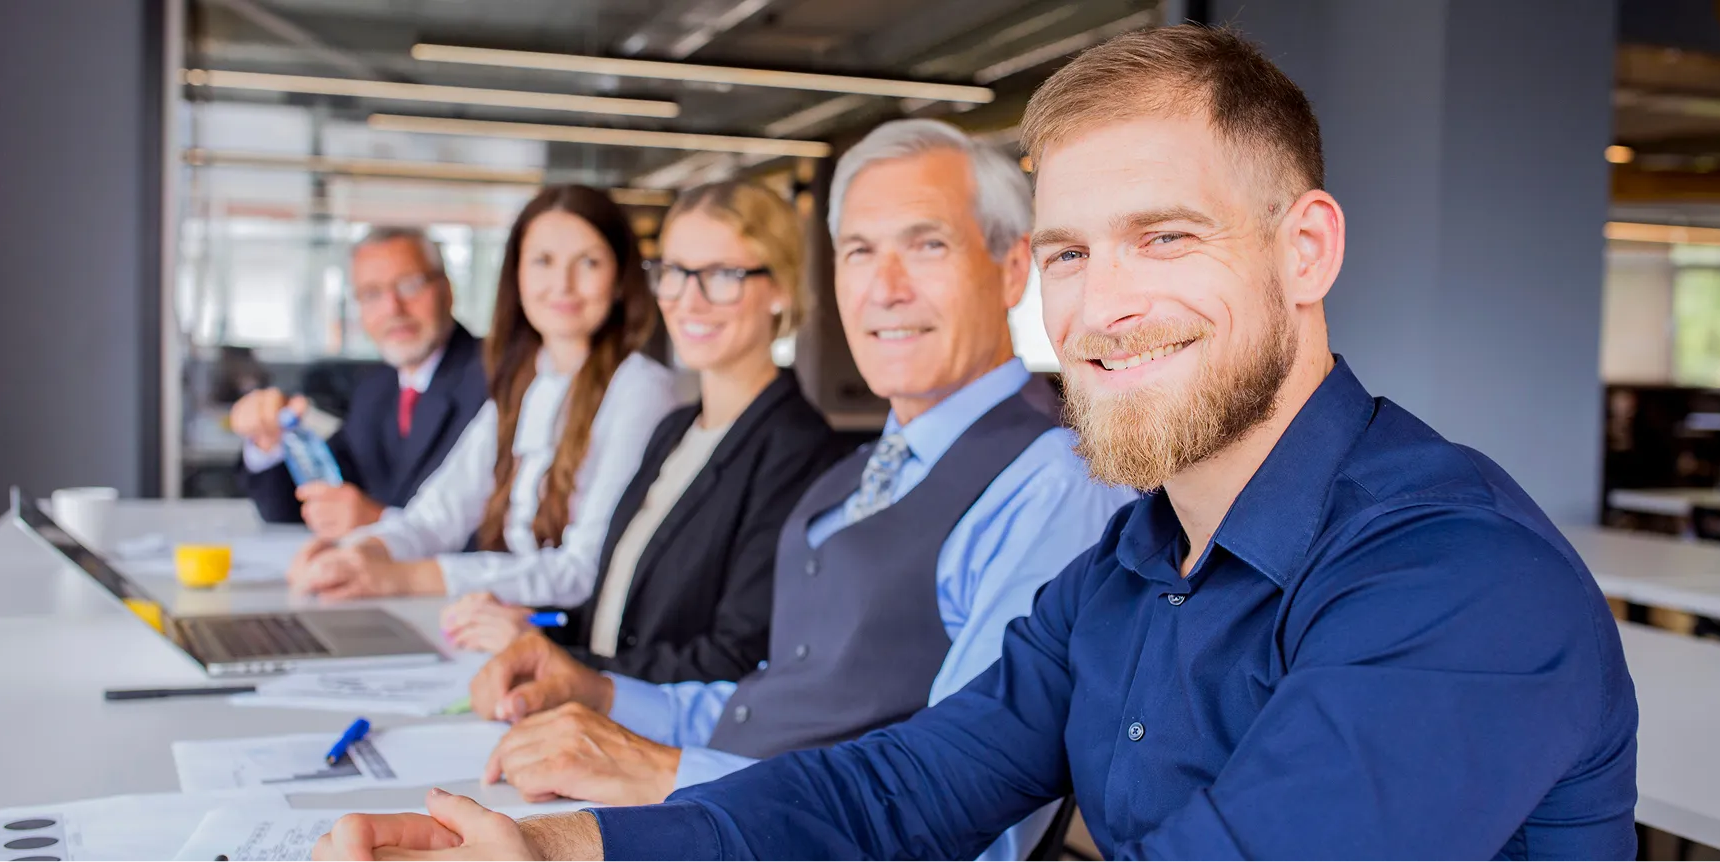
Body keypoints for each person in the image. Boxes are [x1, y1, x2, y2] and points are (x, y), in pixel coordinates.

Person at [314, 25, 1639, 862]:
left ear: (1306, 252)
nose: (1103, 305)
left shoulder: (1457, 576)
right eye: (1071, 252)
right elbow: (895, 790)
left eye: (1165, 237)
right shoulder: (1135, 557)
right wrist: (567, 853)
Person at [405, 118, 1127, 858]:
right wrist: (606, 696)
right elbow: (771, 700)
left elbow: (975, 809)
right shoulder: (858, 475)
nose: (885, 288)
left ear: (1012, 269)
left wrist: (669, 774)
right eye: (859, 252)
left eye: (927, 245)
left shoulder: (1053, 484)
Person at [440, 180, 841, 686]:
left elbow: (730, 661)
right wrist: (530, 627)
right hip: (600, 713)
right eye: (674, 273)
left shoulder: (798, 451)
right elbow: (618, 619)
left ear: (780, 288)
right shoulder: (675, 431)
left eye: (722, 275)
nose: (688, 302)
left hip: (655, 743)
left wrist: (558, 661)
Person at [289, 185, 678, 606]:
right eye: (543, 261)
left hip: (568, 643)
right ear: (517, 276)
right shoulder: (525, 381)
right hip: (500, 625)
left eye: (588, 262)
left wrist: (406, 577)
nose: (562, 285)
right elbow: (436, 517)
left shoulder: (641, 389)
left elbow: (582, 571)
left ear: (620, 277)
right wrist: (358, 552)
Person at [229, 227, 487, 538]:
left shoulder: (499, 379)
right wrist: (271, 443)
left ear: (447, 289)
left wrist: (385, 523)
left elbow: (525, 535)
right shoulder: (375, 388)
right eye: (372, 294)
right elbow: (303, 506)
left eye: (410, 285)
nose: (393, 308)